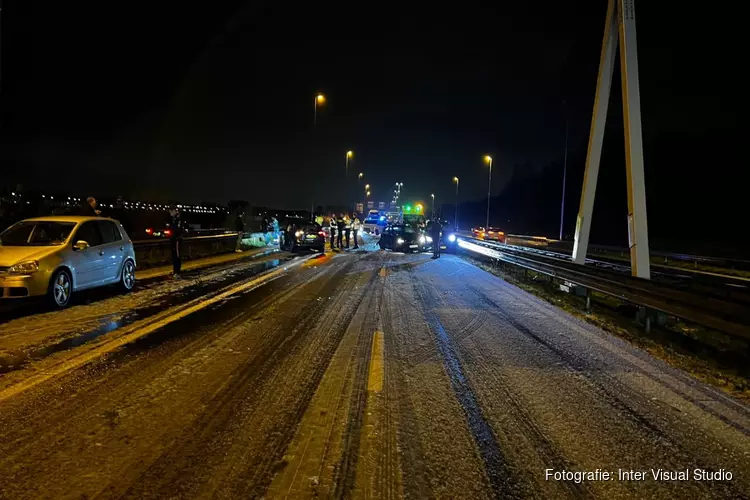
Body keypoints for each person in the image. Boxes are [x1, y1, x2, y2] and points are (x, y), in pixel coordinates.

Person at [168, 207, 185, 277]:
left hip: (177, 240)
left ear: (174, 211)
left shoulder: (178, 219)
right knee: (174, 256)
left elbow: (178, 230)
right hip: (173, 240)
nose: (170, 214)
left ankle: (177, 272)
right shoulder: (173, 219)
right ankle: (175, 271)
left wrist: (176, 237)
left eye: (171, 212)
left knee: (177, 256)